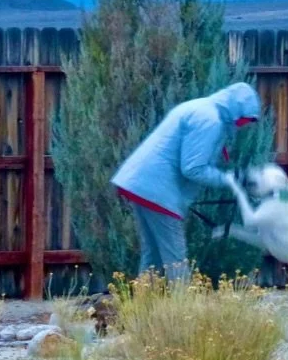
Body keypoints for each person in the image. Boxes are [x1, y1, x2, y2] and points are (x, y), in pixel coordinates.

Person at [111, 82, 261, 282]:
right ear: (236, 110)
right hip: (158, 191)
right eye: (244, 120)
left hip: (142, 183)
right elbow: (193, 169)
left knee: (153, 254)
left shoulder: (199, 108)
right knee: (176, 259)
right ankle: (183, 310)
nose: (242, 126)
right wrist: (232, 179)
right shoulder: (210, 120)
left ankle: (141, 308)